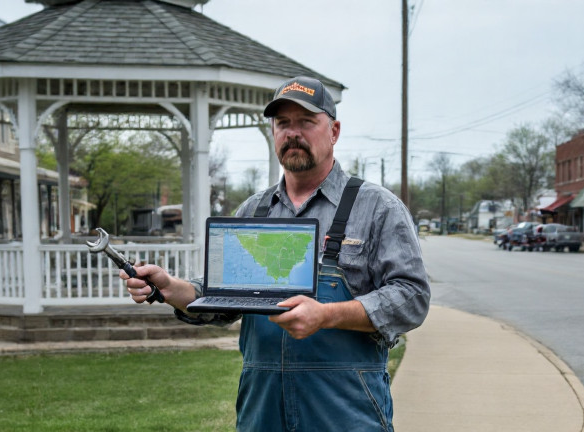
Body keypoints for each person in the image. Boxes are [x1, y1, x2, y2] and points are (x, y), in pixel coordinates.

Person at [122, 76, 430, 431]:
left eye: (306, 122)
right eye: (283, 123)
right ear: (273, 132)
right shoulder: (254, 211)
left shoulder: (378, 207)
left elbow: (412, 296)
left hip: (345, 410)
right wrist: (171, 288)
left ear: (334, 131)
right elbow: (226, 298)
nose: (293, 132)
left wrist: (327, 315)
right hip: (262, 408)